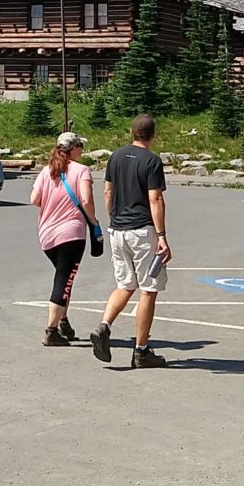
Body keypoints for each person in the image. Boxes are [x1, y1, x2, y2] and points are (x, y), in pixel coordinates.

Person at [90, 114, 171, 369]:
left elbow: (107, 191)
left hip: (118, 229)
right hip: (142, 230)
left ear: (131, 132)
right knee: (148, 288)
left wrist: (112, 217)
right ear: (153, 135)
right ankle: (141, 350)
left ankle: (104, 326)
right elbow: (155, 198)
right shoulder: (152, 161)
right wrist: (162, 236)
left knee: (124, 284)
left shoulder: (115, 157)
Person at [30, 131, 98, 346]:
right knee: (63, 281)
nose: (82, 151)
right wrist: (94, 222)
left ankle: (63, 320)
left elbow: (34, 199)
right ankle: (51, 331)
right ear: (74, 149)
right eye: (81, 147)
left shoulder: (47, 170)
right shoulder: (81, 171)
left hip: (47, 234)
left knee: (64, 276)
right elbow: (86, 200)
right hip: (71, 234)